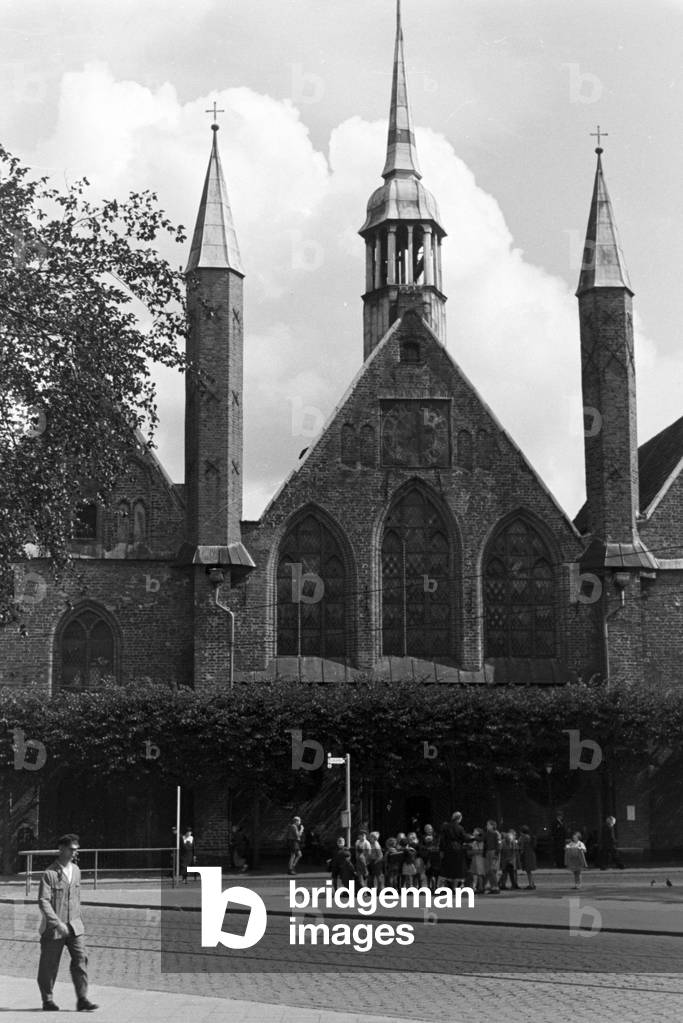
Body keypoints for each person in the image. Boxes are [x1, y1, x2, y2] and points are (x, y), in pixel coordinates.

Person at [37, 833, 98, 1012]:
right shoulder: (49, 874)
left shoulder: (77, 871)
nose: (74, 853)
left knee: (81, 959)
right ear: (61, 849)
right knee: (49, 964)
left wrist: (77, 919)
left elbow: (76, 898)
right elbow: (43, 901)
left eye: (76, 850)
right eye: (71, 849)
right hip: (55, 928)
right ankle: (47, 1000)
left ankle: (82, 999)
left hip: (75, 926)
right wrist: (57, 923)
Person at [483, 819, 502, 893]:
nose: (486, 826)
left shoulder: (495, 833)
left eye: (488, 825)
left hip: (493, 852)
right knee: (488, 871)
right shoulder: (487, 833)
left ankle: (495, 887)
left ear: (492, 826)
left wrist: (496, 854)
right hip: (488, 852)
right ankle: (492, 886)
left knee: (492, 870)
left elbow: (498, 844)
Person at [518, 825, 537, 890]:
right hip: (531, 853)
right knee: (529, 870)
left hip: (527, 854)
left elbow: (521, 845)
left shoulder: (524, 837)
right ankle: (532, 883)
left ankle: (530, 884)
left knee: (528, 870)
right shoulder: (529, 836)